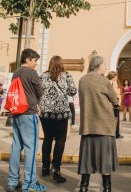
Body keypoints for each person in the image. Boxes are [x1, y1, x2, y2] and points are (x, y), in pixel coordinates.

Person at [6, 49, 46, 192]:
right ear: (28, 59)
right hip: (29, 112)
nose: (36, 64)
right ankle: (29, 183)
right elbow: (40, 92)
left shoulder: (16, 73)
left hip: (17, 112)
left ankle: (12, 181)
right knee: (31, 148)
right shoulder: (31, 73)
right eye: (35, 60)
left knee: (16, 147)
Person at [78, 55, 119, 192]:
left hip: (87, 125)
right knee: (105, 160)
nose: (106, 68)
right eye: (104, 65)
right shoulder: (104, 81)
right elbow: (115, 100)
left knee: (86, 159)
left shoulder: (82, 80)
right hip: (103, 125)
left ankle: (84, 186)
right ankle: (106, 188)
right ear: (98, 65)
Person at [39, 55, 77, 183]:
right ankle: (55, 170)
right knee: (60, 141)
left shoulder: (43, 76)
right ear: (61, 64)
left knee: (47, 139)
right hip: (61, 113)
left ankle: (45, 167)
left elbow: (37, 91)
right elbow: (73, 91)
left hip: (45, 114)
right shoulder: (66, 76)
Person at [107, 71, 123, 139]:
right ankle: (117, 134)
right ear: (114, 77)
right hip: (115, 104)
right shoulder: (114, 83)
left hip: (109, 104)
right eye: (116, 76)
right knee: (116, 119)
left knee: (110, 119)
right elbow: (115, 94)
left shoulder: (107, 82)